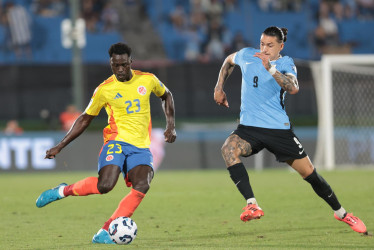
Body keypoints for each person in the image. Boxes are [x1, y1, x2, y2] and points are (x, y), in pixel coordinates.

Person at [213, 26, 367, 234]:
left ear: (280, 46)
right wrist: (219, 87)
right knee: (228, 149)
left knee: (310, 174)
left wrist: (271, 69)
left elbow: (293, 87)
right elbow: (228, 61)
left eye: (270, 45)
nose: (265, 49)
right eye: (262, 44)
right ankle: (252, 204)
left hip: (278, 131)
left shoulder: (285, 63)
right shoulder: (247, 55)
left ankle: (342, 213)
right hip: (248, 128)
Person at [36, 43, 177, 244]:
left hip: (140, 147)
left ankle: (104, 231)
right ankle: (62, 191)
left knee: (142, 185)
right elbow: (85, 118)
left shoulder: (148, 80)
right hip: (116, 142)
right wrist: (60, 145)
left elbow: (167, 95)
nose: (119, 70)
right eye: (115, 65)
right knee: (105, 185)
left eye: (123, 65)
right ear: (111, 64)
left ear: (130, 62)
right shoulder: (105, 89)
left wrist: (170, 126)